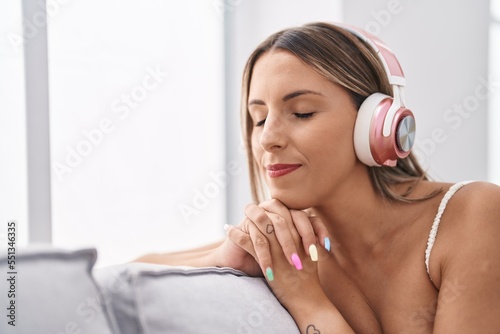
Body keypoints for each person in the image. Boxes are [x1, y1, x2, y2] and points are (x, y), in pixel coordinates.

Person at [136, 22, 500, 333]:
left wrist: (307, 301)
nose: (267, 139)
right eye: (259, 118)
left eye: (302, 112)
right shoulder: (290, 245)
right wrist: (221, 257)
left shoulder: (473, 214)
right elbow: (128, 273)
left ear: (376, 125)